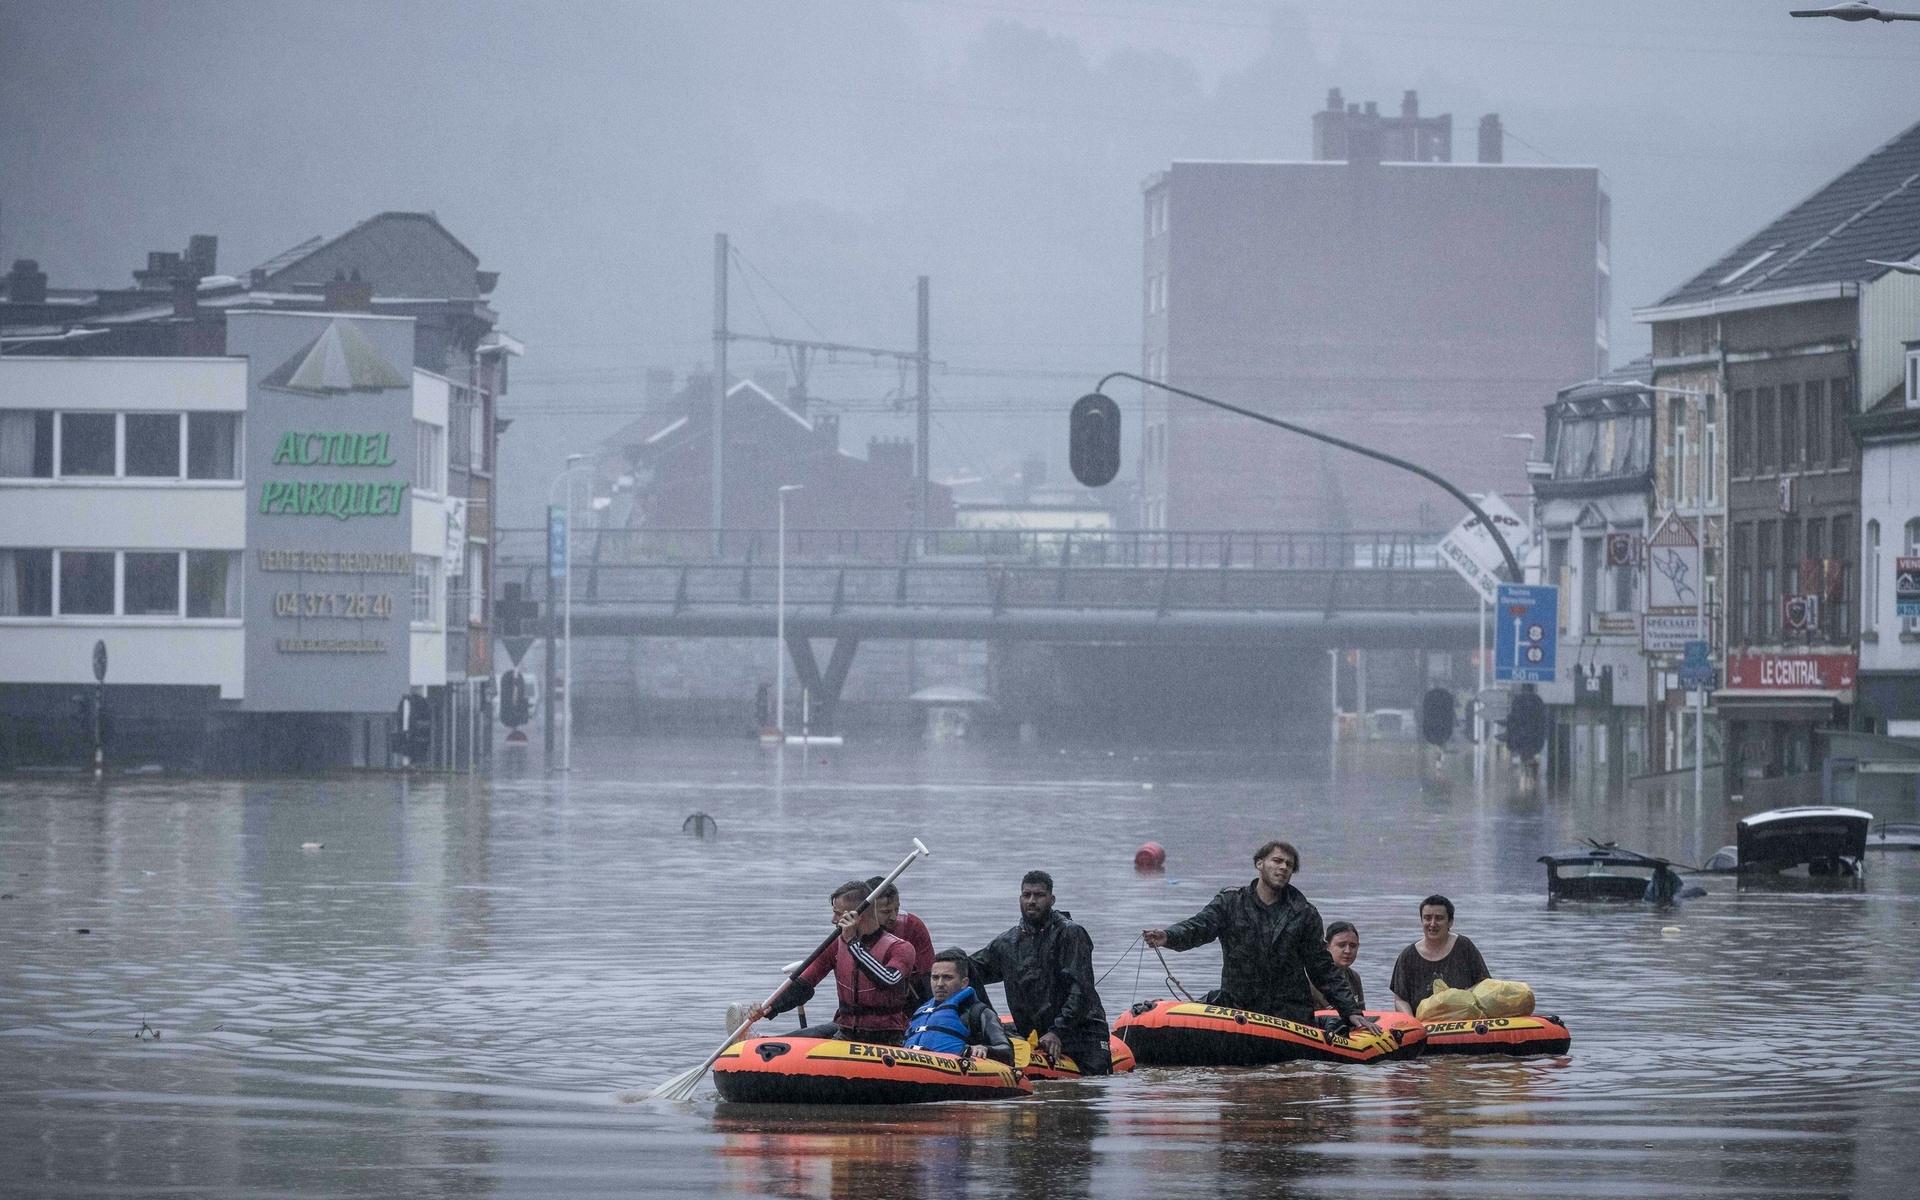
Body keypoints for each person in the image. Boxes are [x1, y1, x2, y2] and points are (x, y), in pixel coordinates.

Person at [1144, 841, 1380, 1035]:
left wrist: (1350, 1010)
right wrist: (1167, 936)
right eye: (1277, 861)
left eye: (1289, 864)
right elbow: (1198, 927)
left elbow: (1322, 968)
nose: (1283, 867)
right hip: (1239, 1007)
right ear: (1259, 863)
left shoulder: (1305, 914)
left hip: (1288, 1014)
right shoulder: (1230, 903)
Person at [970, 870, 1114, 1074]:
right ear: (1020, 898)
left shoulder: (1071, 934)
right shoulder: (1006, 943)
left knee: (1091, 1087)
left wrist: (1058, 1031)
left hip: (1083, 1033)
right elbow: (967, 971)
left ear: (1052, 899)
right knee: (959, 965)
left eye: (1039, 895)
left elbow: (1081, 990)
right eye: (1026, 895)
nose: (1031, 901)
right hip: (1034, 1035)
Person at [748, 879, 917, 1045]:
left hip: (885, 1040)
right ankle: (756, 1043)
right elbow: (804, 983)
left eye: (838, 913)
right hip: (846, 1033)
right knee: (800, 1039)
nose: (833, 920)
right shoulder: (836, 945)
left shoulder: (901, 948)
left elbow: (888, 980)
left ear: (857, 915)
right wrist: (769, 1007)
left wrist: (853, 943)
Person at [902, 949, 1015, 1066]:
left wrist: (985, 1049)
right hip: (912, 1068)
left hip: (957, 1072)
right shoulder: (920, 1012)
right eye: (935, 978)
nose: (939, 984)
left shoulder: (979, 1013)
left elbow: (1007, 1052)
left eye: (947, 977)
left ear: (964, 982)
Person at [1388, 894, 1490, 1016]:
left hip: (1464, 1021)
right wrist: (1412, 1023)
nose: (1432, 923)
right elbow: (1400, 999)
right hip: (1423, 1024)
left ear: (1450, 922)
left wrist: (1457, 998)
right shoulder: (1408, 956)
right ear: (1421, 921)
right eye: (1427, 918)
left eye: (1439, 918)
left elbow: (1485, 983)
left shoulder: (1464, 947)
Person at [866, 875, 935, 1002]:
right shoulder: (849, 934)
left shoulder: (913, 926)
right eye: (886, 912)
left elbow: (928, 973)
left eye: (896, 909)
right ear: (867, 911)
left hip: (908, 1000)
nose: (893, 917)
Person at [1309, 920, 1365, 1012]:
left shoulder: (1354, 977)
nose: (1347, 951)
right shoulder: (1312, 978)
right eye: (1341, 945)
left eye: (1353, 946)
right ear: (1327, 946)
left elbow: (1363, 1012)